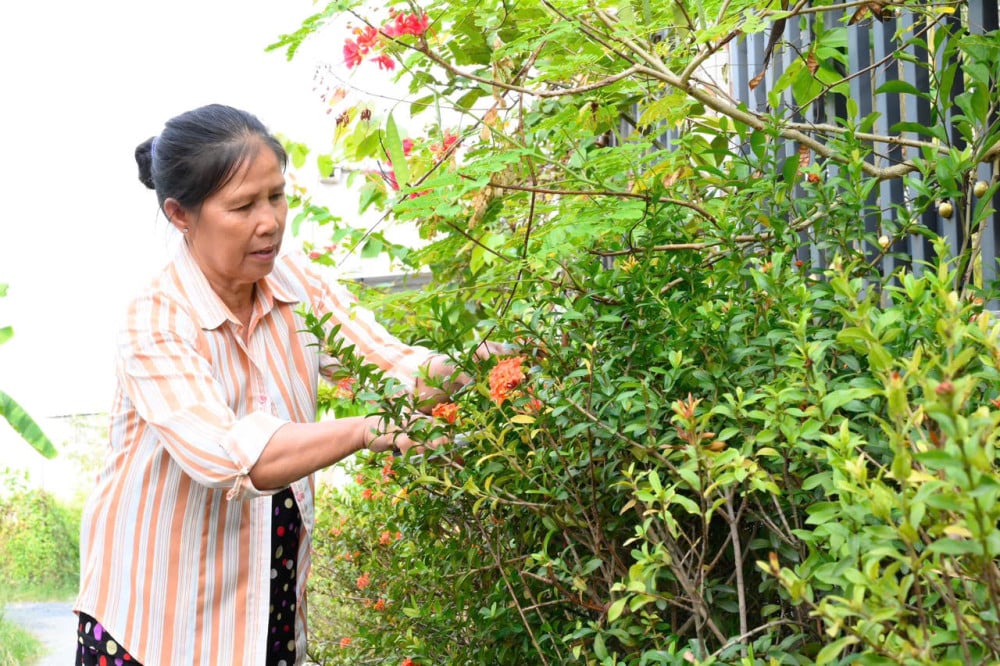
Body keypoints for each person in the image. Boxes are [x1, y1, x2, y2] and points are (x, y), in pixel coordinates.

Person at [74, 103, 496, 665]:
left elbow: (392, 367)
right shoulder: (155, 318)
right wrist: (371, 431)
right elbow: (230, 458)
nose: (269, 220)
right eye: (243, 205)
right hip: (155, 625)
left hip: (264, 606)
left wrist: (481, 363)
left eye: (276, 195)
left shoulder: (297, 285)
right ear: (180, 214)